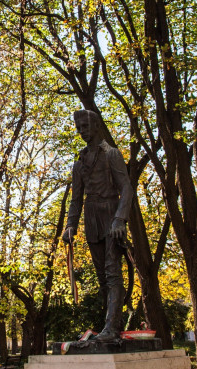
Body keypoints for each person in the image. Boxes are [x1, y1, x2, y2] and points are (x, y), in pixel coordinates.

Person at [62, 109, 135, 342]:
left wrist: (119, 219)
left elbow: (126, 188)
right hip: (91, 219)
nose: (82, 132)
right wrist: (70, 225)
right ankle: (111, 325)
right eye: (79, 128)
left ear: (96, 126)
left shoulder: (112, 155)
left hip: (111, 217)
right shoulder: (79, 163)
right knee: (102, 277)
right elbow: (76, 199)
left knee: (113, 273)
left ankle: (112, 329)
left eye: (85, 127)